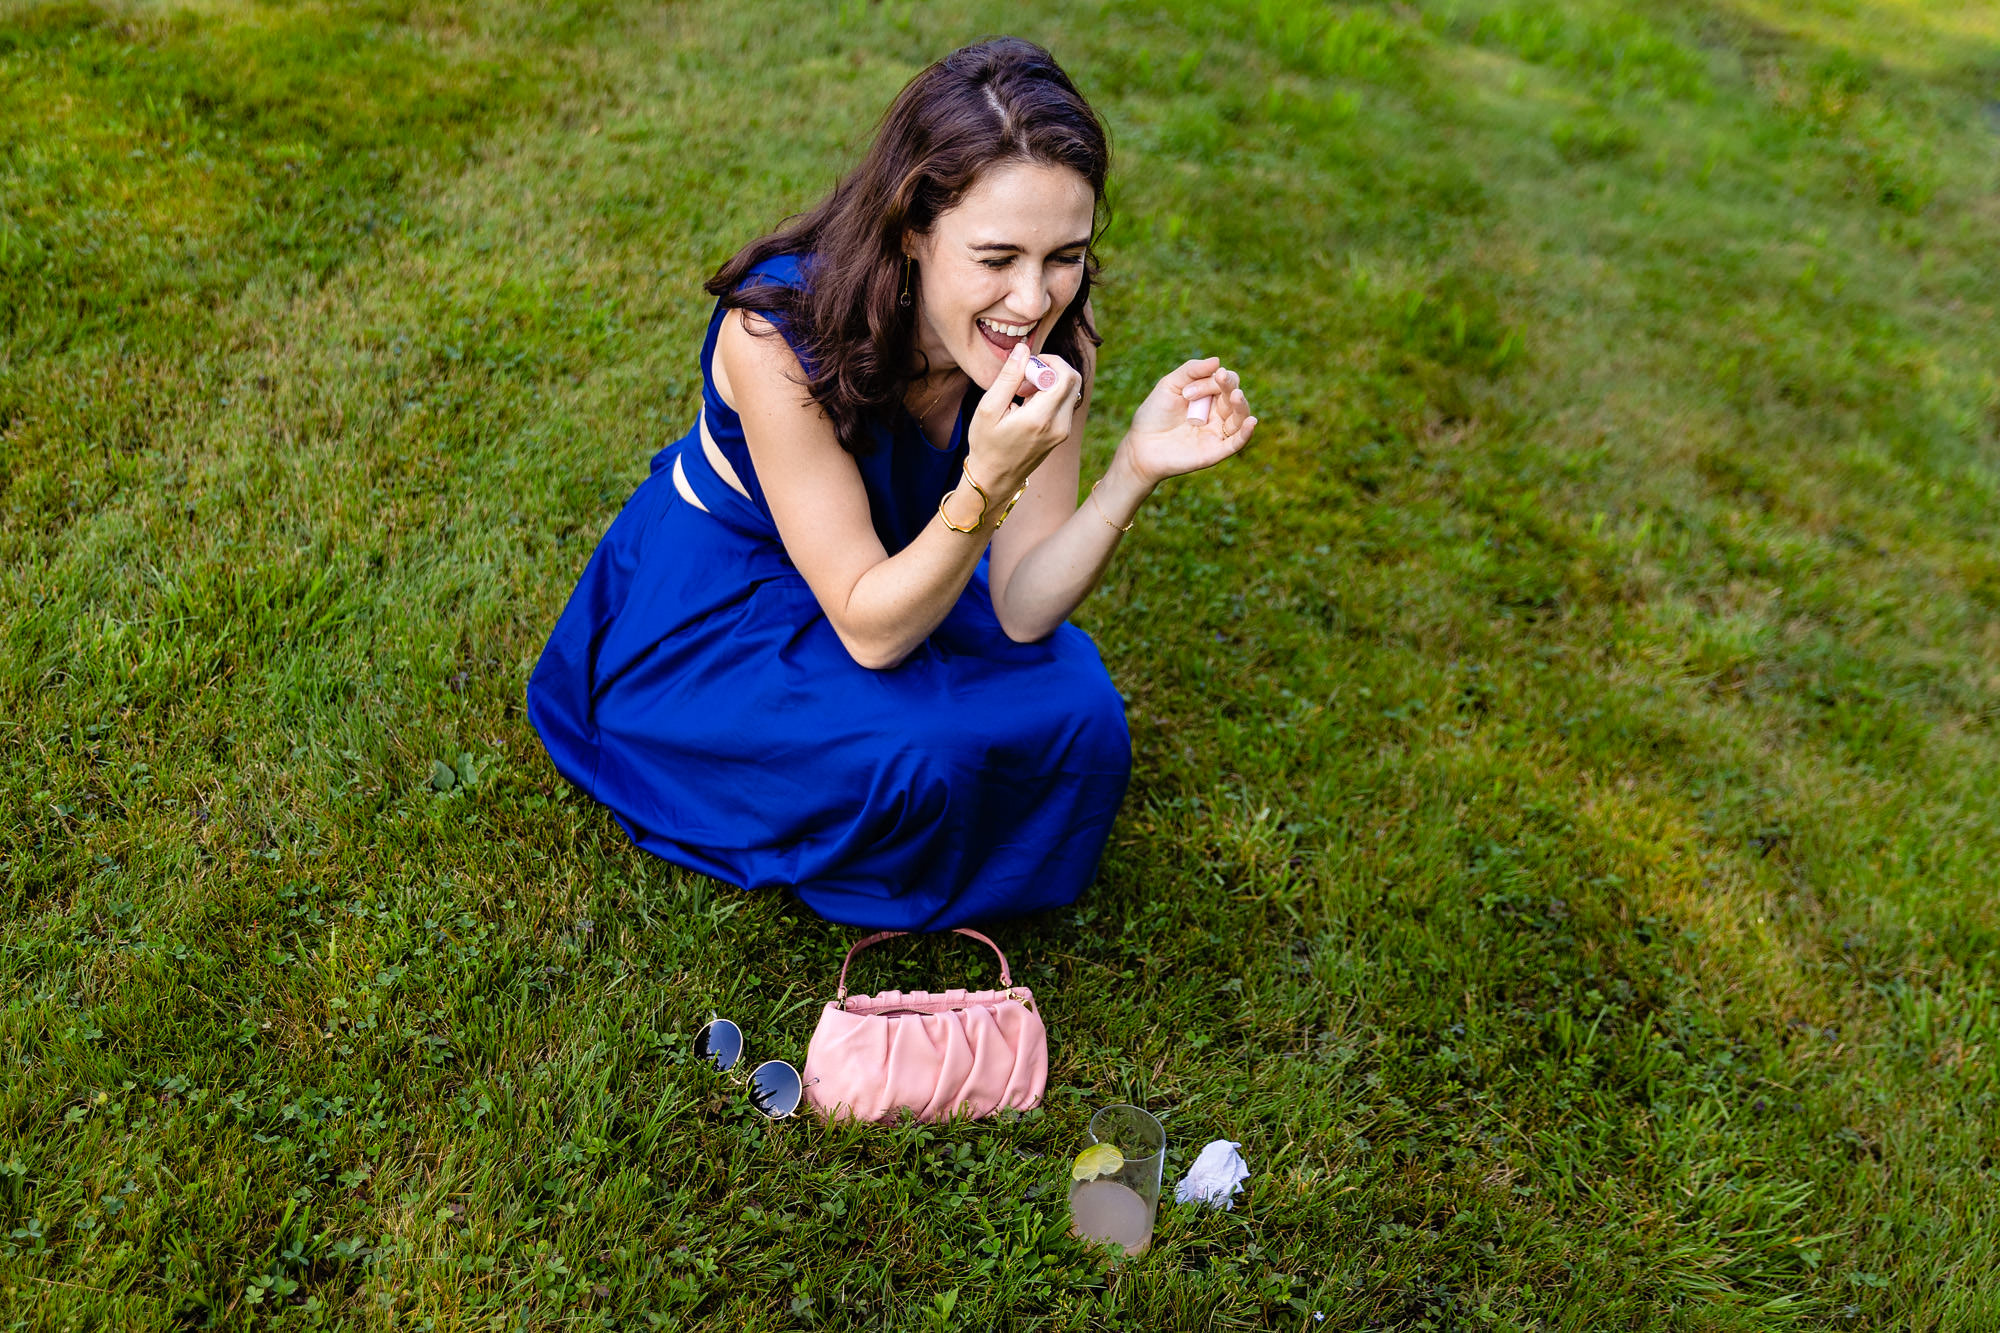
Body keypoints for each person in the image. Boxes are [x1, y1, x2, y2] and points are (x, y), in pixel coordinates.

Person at [527, 37, 1257, 931]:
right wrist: (986, 483)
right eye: (996, 259)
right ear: (911, 229)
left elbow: (1024, 608)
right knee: (917, 759)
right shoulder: (775, 338)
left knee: (1087, 723)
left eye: (1063, 255)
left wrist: (1131, 472)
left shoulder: (1057, 337)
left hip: (911, 565)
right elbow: (874, 634)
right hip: (734, 594)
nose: (1032, 301)